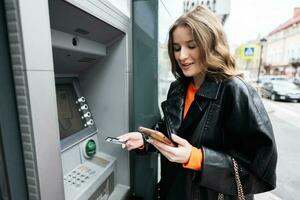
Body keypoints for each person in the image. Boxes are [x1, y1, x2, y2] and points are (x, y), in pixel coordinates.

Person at [118, 5, 277, 200]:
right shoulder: (178, 88)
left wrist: (196, 158)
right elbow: (175, 133)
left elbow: (260, 169)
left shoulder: (235, 91)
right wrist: (146, 140)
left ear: (211, 44)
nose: (182, 56)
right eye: (176, 48)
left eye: (191, 46)